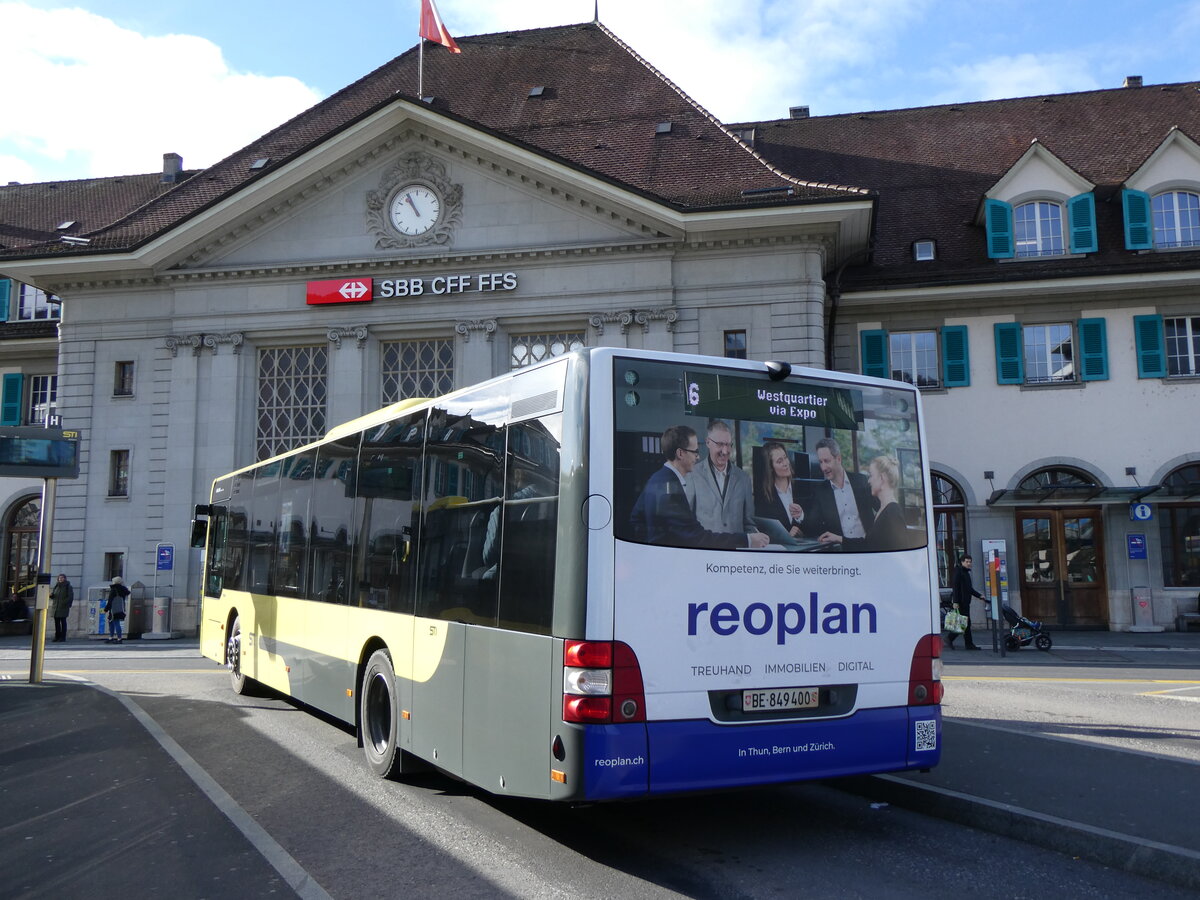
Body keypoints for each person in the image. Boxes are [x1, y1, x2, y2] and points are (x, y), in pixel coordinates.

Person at [630, 424, 770, 550]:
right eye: (695, 452)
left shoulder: (658, 479)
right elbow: (693, 535)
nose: (697, 457)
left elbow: (636, 520)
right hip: (698, 554)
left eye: (729, 444)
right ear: (680, 453)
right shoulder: (670, 486)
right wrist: (746, 540)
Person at [818, 455, 910, 551]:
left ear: (882, 478)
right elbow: (869, 544)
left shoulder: (892, 512)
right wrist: (838, 538)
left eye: (871, 475)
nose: (869, 481)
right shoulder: (884, 510)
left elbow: (901, 553)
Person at [692, 420, 761, 540]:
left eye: (728, 445)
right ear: (708, 442)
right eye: (719, 444)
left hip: (735, 554)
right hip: (704, 551)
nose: (725, 451)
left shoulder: (743, 478)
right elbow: (688, 521)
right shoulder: (692, 474)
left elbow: (749, 523)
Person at [805, 437, 877, 543]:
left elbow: (881, 508)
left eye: (827, 461)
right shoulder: (820, 491)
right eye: (820, 462)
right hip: (841, 552)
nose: (823, 467)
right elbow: (812, 527)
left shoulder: (861, 481)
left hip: (867, 548)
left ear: (838, 459)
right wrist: (800, 516)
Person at [755, 442, 806, 538]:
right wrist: (786, 536)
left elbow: (817, 524)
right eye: (779, 461)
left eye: (785, 458)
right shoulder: (764, 497)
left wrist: (801, 516)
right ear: (770, 468)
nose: (786, 463)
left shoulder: (803, 488)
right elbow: (764, 532)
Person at [947, 555, 984, 649]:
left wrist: (979, 595)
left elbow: (969, 589)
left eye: (970, 562)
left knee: (966, 623)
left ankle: (968, 644)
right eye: (967, 562)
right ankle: (950, 639)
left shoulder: (966, 573)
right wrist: (955, 602)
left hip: (965, 602)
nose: (969, 563)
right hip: (960, 602)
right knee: (964, 623)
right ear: (962, 562)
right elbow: (955, 587)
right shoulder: (958, 572)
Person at [103, 576, 130, 644]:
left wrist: (106, 609)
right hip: (120, 608)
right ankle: (112, 637)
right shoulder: (123, 589)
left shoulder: (114, 589)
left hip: (113, 609)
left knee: (115, 622)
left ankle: (118, 638)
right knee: (112, 622)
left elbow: (110, 601)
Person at [49, 573, 73, 642]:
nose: (61, 579)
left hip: (63, 607)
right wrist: (51, 596)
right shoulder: (56, 586)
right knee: (56, 623)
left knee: (63, 622)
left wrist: (64, 603)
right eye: (59, 578)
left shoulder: (68, 586)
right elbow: (54, 595)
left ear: (65, 579)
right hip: (56, 607)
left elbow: (70, 597)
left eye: (62, 578)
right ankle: (57, 636)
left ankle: (63, 637)